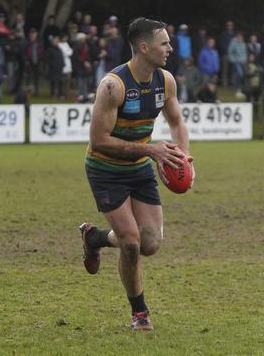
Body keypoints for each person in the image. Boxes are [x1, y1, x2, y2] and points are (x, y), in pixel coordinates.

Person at [80, 17, 191, 331]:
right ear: (145, 47)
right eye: (164, 43)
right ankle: (139, 313)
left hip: (140, 167)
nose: (170, 48)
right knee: (130, 243)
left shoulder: (166, 80)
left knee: (150, 243)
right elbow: (99, 140)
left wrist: (181, 153)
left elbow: (177, 121)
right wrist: (151, 150)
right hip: (105, 169)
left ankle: (95, 237)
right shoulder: (113, 86)